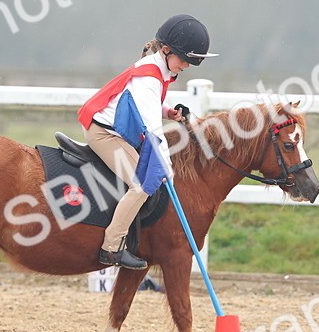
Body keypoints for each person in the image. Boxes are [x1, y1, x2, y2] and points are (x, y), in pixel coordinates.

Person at [77, 14, 217, 269]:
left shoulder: (159, 70)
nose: (186, 66)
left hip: (117, 129)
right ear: (166, 51)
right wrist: (167, 167)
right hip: (104, 134)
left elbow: (148, 106)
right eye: (184, 60)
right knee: (143, 185)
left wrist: (168, 112)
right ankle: (111, 248)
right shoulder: (149, 77)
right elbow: (153, 133)